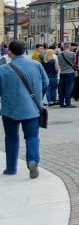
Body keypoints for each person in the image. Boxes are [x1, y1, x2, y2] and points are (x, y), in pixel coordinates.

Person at [0, 41, 48, 178]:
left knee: (11, 138)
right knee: (32, 137)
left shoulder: (3, 69)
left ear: (10, 52)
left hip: (10, 109)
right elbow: (46, 83)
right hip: (32, 108)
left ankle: (11, 168)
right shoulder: (36, 65)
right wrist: (38, 97)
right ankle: (32, 161)